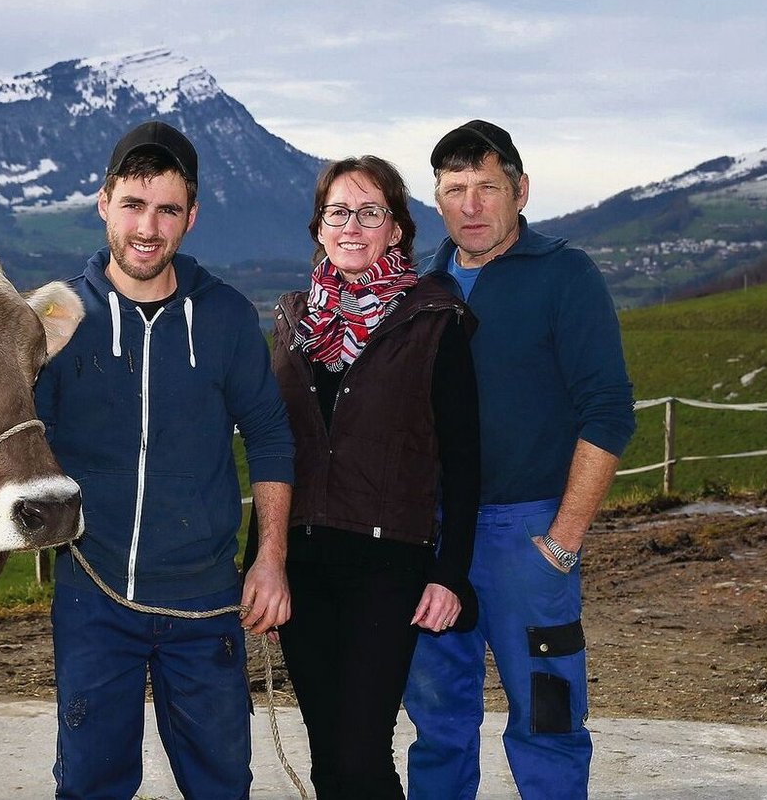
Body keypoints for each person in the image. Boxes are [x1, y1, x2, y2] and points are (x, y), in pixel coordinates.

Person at [0, 119, 295, 799]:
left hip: (205, 605)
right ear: (104, 203)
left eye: (167, 209)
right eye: (133, 204)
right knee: (91, 784)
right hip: (93, 597)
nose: (147, 228)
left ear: (191, 216)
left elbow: (272, 435)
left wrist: (270, 558)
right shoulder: (48, 320)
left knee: (221, 784)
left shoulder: (223, 317)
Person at [402, 120, 637, 800]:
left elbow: (608, 410)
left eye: (486, 187)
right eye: (454, 190)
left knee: (548, 716)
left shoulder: (565, 274)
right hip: (436, 537)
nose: (470, 205)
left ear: (520, 190)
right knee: (437, 719)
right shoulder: (424, 289)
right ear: (437, 201)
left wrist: (562, 541)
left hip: (526, 533)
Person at [265, 155, 479, 799]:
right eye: (338, 213)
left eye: (369, 212)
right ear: (319, 228)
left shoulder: (433, 320)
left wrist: (451, 573)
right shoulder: (293, 324)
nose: (351, 226)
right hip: (302, 565)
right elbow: (277, 452)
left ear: (396, 230)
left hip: (388, 566)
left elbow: (465, 460)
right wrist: (262, 563)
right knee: (329, 757)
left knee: (361, 754)